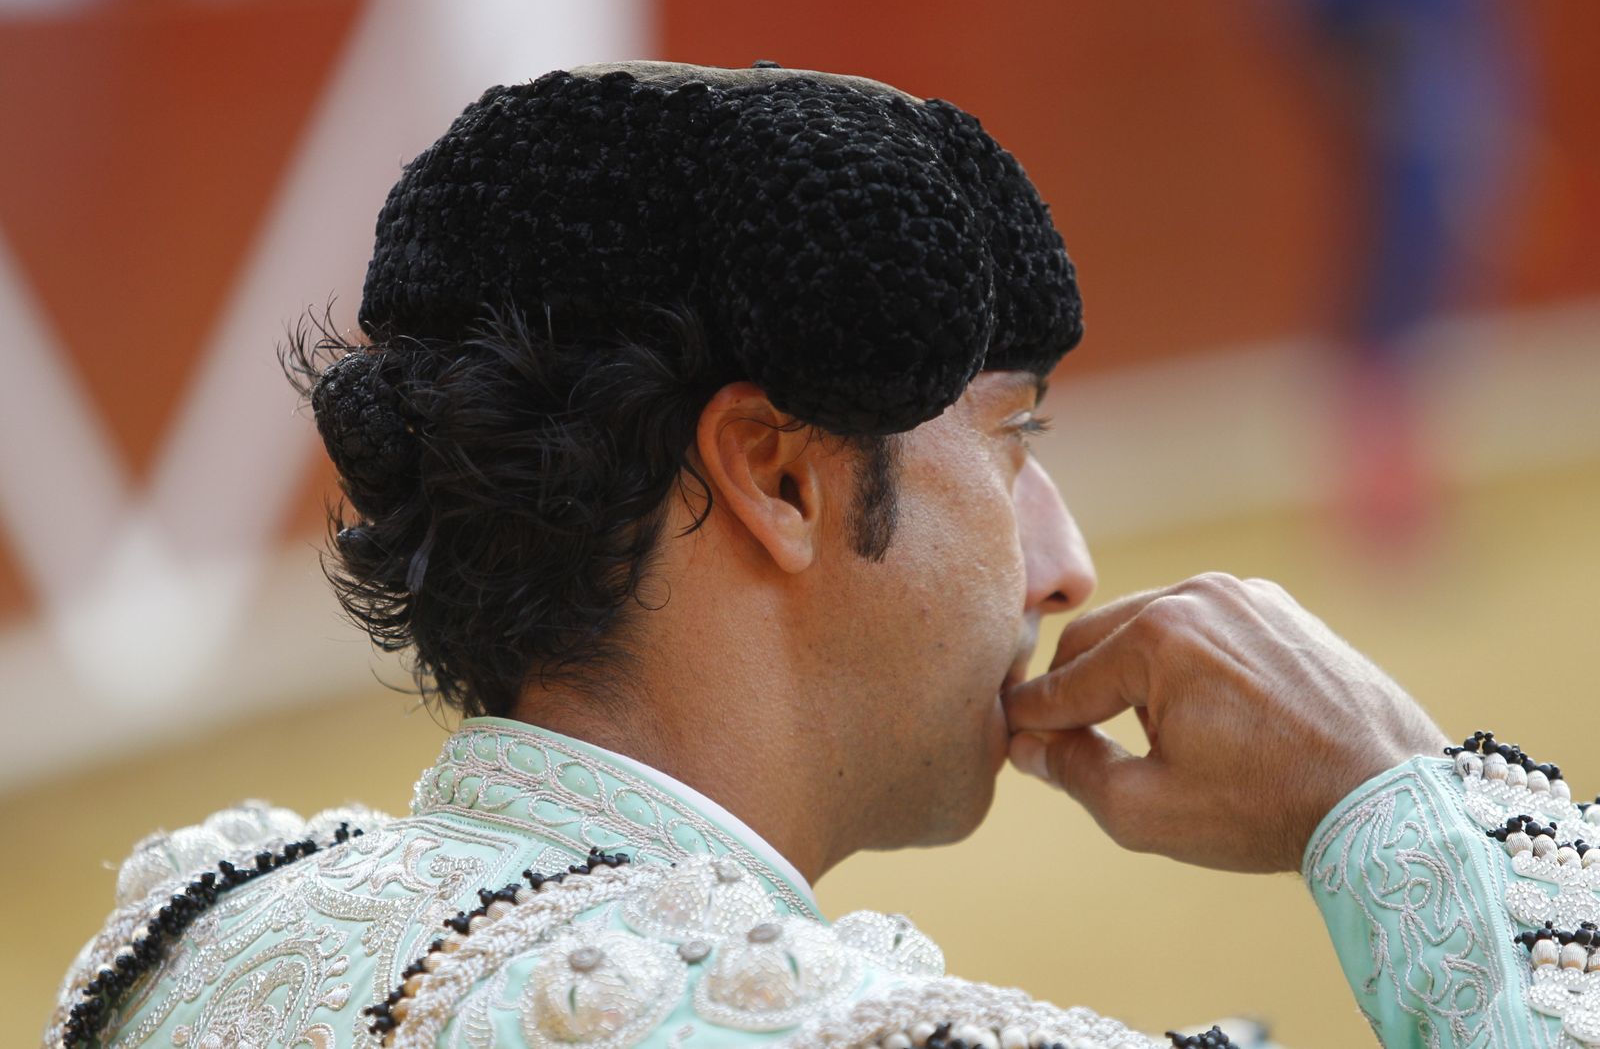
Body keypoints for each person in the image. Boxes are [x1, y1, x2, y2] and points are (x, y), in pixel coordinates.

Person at [44, 61, 1598, 1049]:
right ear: (779, 476)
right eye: (1013, 442)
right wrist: (1405, 813)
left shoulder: (197, 946)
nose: (1065, 565)